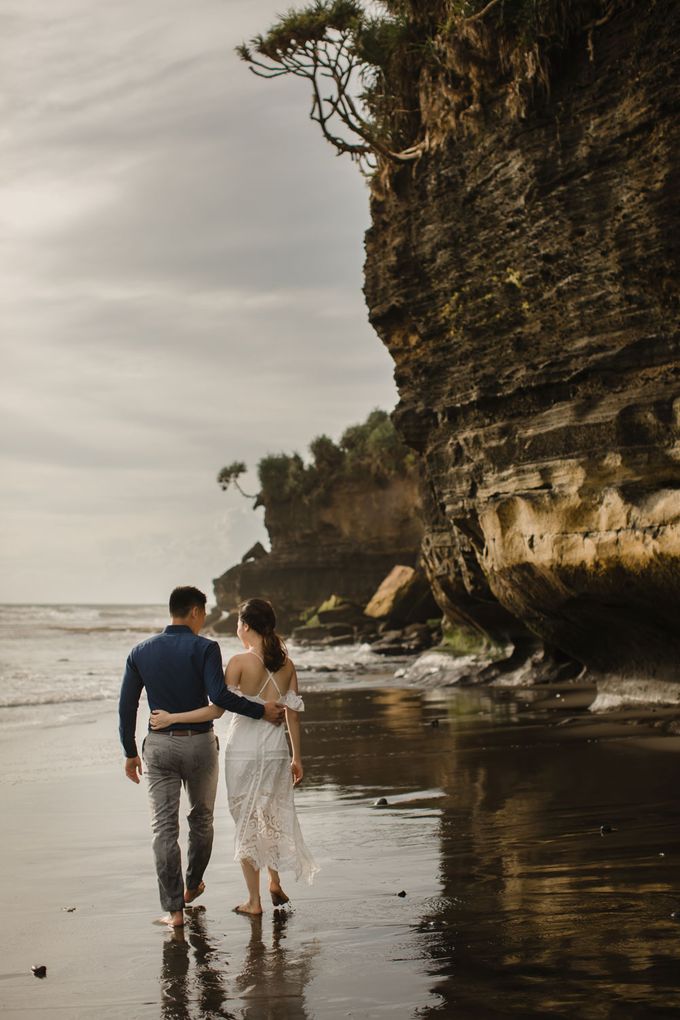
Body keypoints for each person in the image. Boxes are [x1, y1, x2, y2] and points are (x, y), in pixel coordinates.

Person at [118, 586, 285, 928]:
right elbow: (220, 695)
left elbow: (127, 705)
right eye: (204, 613)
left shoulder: (140, 651)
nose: (205, 619)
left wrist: (130, 751)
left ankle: (175, 911)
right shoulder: (206, 647)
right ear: (194, 612)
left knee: (163, 828)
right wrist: (261, 711)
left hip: (160, 746)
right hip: (200, 745)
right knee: (202, 819)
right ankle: (193, 883)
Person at [150, 597, 318, 915]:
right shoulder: (287, 664)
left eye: (238, 624)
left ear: (245, 626)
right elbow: (293, 715)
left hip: (242, 750)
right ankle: (274, 881)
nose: (237, 629)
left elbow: (217, 707)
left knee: (245, 820)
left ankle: (253, 902)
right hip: (275, 751)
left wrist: (172, 718)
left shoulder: (239, 662)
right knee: (268, 815)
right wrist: (298, 758)